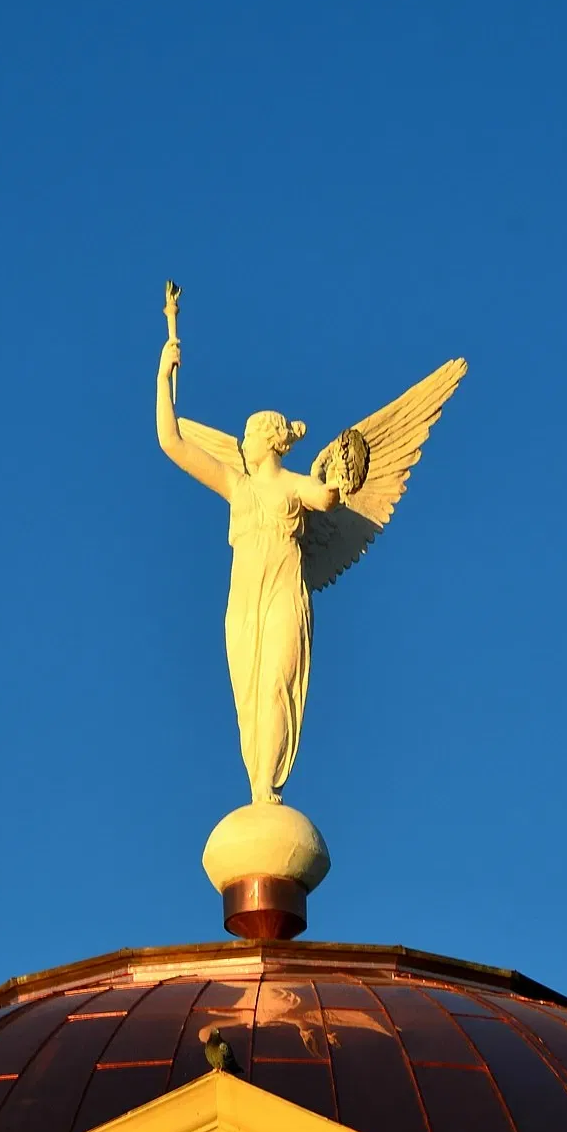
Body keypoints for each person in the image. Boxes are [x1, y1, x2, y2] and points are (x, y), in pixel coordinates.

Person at [156, 335, 339, 805]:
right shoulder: (237, 486)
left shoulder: (298, 486)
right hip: (244, 601)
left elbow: (328, 496)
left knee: (276, 682)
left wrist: (337, 478)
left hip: (283, 595)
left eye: (250, 435)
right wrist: (164, 374)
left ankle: (264, 787)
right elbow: (171, 442)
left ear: (270, 441)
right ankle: (256, 780)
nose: (242, 442)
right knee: (249, 696)